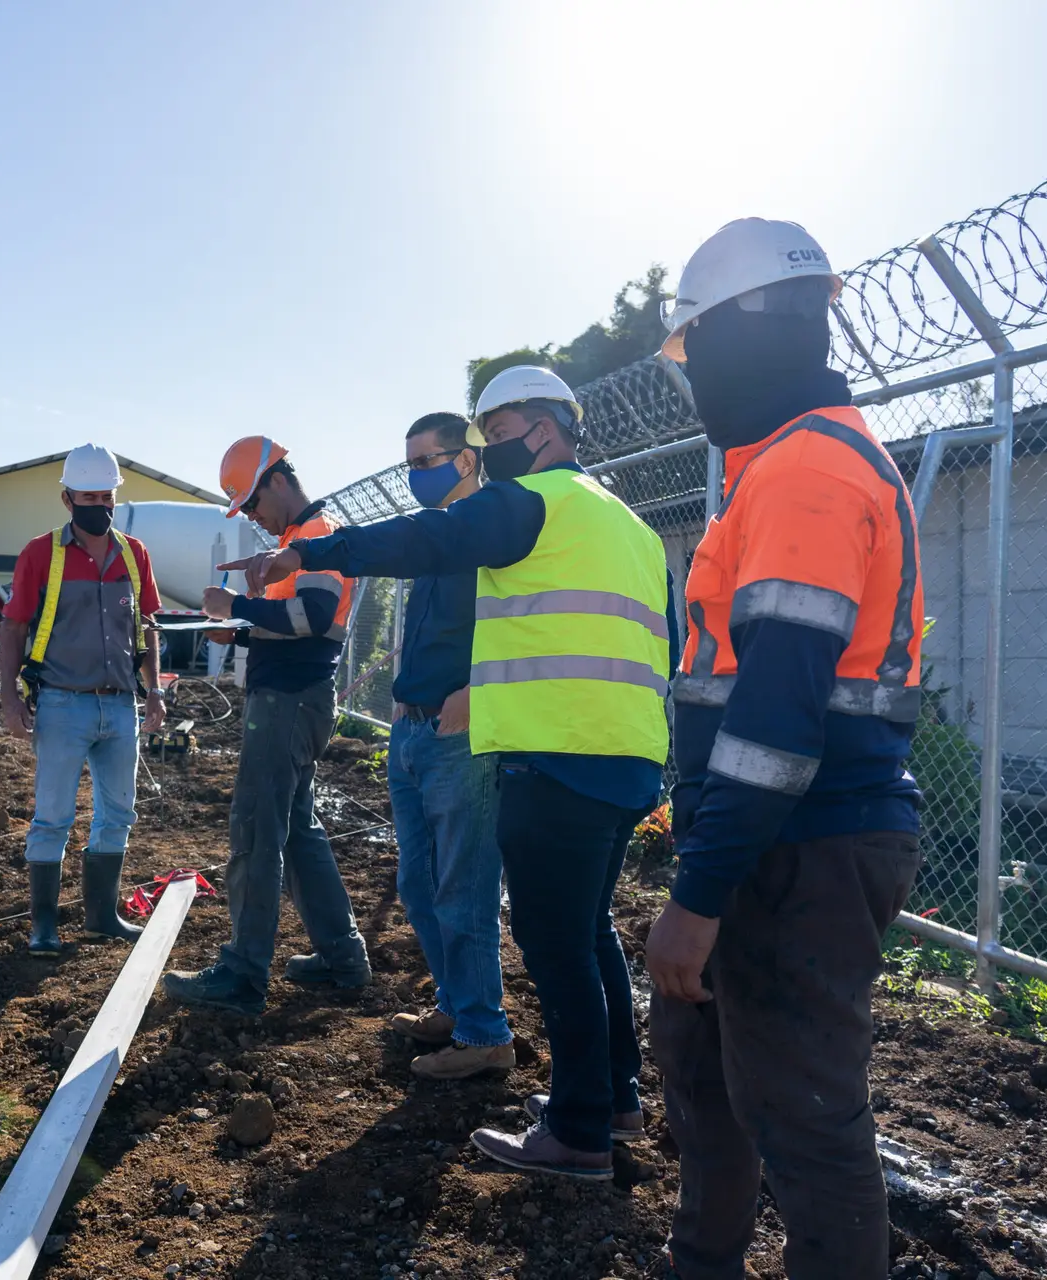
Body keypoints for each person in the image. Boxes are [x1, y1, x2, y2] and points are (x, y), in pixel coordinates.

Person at [228, 370, 674, 1179]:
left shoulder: (534, 502)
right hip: (627, 751)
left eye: (496, 430)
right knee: (591, 934)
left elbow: (419, 541)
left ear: (542, 429)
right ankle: (614, 1099)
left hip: (556, 750)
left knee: (557, 947)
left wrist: (308, 548)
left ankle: (578, 1133)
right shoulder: (626, 522)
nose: (485, 446)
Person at [645, 218, 925, 1280]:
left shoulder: (808, 470)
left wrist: (701, 894)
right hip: (775, 839)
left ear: (745, 331)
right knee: (707, 1074)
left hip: (799, 845)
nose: (694, 378)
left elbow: (777, 717)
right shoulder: (783, 467)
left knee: (806, 1121)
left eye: (695, 349)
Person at [160, 436, 369, 1017]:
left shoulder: (316, 537)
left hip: (288, 702)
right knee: (298, 832)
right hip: (295, 697)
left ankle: (243, 972)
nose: (252, 516)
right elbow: (300, 626)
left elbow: (313, 617)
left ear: (278, 480)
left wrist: (237, 609)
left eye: (252, 503)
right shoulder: (297, 542)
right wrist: (246, 631)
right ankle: (341, 957)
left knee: (256, 830)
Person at [379, 412, 512, 1080]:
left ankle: (485, 1032)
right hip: (413, 727)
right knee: (419, 883)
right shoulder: (437, 540)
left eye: (425, 461)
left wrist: (476, 691)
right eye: (410, 464)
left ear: (465, 460)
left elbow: (520, 623)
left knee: (463, 889)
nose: (414, 476)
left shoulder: (490, 528)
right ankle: (456, 1006)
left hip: (460, 734)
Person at [0, 444, 167, 955]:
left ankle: (102, 918)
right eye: (90, 496)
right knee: (52, 817)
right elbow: (14, 625)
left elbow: (147, 625)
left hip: (120, 705)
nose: (101, 505)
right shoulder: (41, 553)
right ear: (68, 499)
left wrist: (155, 689)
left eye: (108, 496)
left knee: (118, 814)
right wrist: (9, 697)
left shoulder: (134, 554)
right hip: (62, 705)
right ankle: (43, 926)